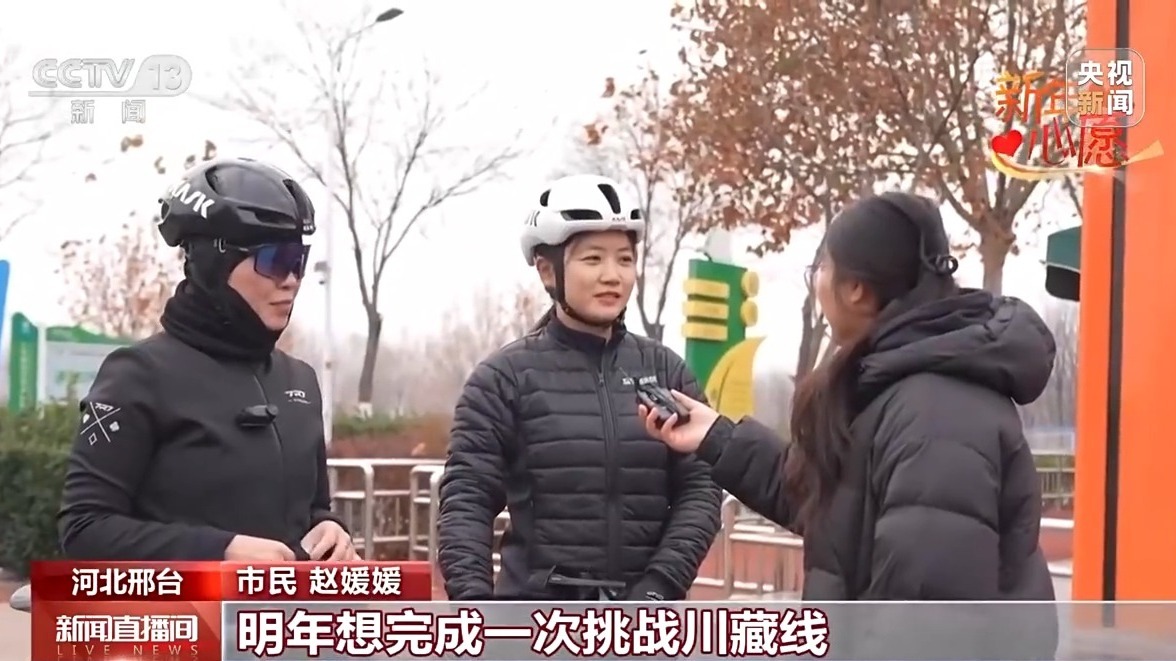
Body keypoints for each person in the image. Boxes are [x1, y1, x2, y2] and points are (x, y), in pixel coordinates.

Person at [641, 193, 1058, 657]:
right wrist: (718, 437)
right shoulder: (901, 385)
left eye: (822, 267)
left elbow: (927, 628)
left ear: (856, 289)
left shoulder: (934, 414)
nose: (818, 283)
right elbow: (838, 507)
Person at [437, 174, 722, 601]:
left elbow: (701, 488)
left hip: (645, 617)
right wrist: (476, 611)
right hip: (538, 618)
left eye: (624, 260)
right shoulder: (503, 378)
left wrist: (660, 586)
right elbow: (467, 501)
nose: (612, 276)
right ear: (547, 270)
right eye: (593, 259)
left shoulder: (666, 371)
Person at [58, 157, 355, 563]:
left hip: (282, 606)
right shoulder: (137, 375)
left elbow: (312, 509)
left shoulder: (299, 380)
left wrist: (329, 529)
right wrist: (218, 551)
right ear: (215, 265)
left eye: (298, 261)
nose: (291, 280)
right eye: (274, 260)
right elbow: (84, 529)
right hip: (178, 606)